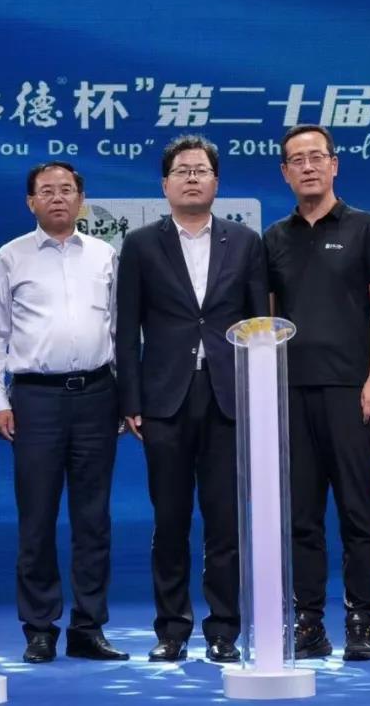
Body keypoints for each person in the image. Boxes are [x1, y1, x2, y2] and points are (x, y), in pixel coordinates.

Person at [116, 135, 268, 663]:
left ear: (216, 182)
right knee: (171, 522)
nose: (192, 178)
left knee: (225, 523)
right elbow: (126, 329)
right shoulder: (141, 245)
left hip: (228, 397)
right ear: (165, 184)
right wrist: (130, 400)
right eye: (182, 171)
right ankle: (172, 630)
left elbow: (259, 326)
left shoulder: (245, 242)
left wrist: (257, 397)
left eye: (201, 170)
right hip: (164, 399)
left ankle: (224, 630)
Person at [0, 161, 128, 663]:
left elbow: (120, 331)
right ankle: (39, 628)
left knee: (93, 519)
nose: (58, 198)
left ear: (81, 199)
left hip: (97, 395)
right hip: (35, 400)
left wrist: (124, 397)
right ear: (31, 202)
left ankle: (88, 627)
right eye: (47, 191)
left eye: (67, 190)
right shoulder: (10, 256)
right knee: (37, 519)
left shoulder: (105, 255)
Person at [264, 124, 370, 661]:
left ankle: (361, 622)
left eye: (317, 156)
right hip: (291, 394)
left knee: (357, 512)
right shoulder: (274, 238)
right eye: (297, 160)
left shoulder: (367, 228)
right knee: (301, 517)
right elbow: (268, 318)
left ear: (334, 164)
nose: (308, 166)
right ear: (285, 172)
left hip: (351, 391)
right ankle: (309, 624)